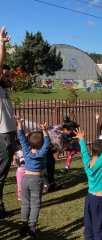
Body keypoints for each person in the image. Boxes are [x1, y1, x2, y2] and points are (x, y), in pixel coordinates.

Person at [73, 120, 102, 239]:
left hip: (89, 199)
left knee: (89, 230)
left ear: (92, 151)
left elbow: (84, 152)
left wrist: (81, 139)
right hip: (100, 202)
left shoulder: (87, 163)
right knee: (99, 231)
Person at [14, 115, 51, 238]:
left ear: (29, 143)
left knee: (25, 203)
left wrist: (19, 123)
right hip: (36, 180)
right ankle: (32, 227)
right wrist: (44, 130)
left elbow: (21, 137)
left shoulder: (26, 150)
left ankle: (24, 224)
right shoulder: (41, 153)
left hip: (25, 179)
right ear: (41, 145)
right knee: (35, 203)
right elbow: (47, 143)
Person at [0, 26, 15, 221]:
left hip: (9, 134)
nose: (8, 79)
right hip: (2, 136)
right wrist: (2, 44)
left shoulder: (5, 91)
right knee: (1, 173)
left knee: (3, 173)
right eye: (5, 75)